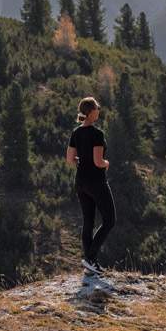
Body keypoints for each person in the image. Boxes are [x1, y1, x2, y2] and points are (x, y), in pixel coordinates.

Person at [66, 96, 116, 275]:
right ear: (90, 111)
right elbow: (98, 161)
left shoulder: (76, 133)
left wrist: (82, 159)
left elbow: (70, 159)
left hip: (81, 183)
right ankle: (90, 258)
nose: (99, 110)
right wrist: (107, 163)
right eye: (97, 107)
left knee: (88, 221)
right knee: (110, 220)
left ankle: (90, 262)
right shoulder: (97, 134)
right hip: (96, 182)